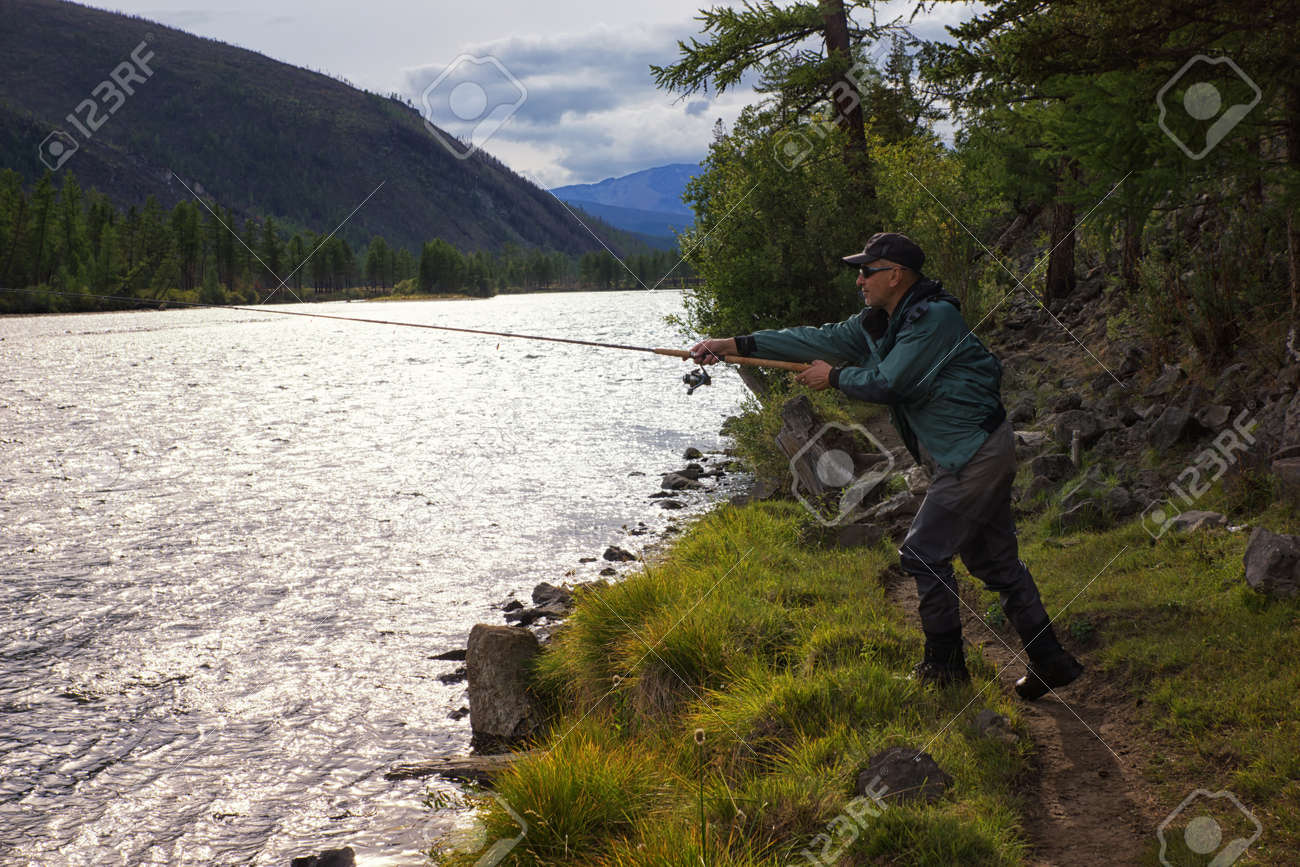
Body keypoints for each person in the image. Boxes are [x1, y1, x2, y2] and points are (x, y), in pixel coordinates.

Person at [689, 232, 1083, 699]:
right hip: (968, 453)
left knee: (922, 553)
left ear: (895, 275)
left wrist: (833, 377)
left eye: (866, 271)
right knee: (994, 561)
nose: (859, 280)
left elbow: (890, 382)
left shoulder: (934, 318)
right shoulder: (879, 322)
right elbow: (812, 339)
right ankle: (1051, 660)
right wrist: (730, 343)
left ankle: (945, 670)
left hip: (973, 455)